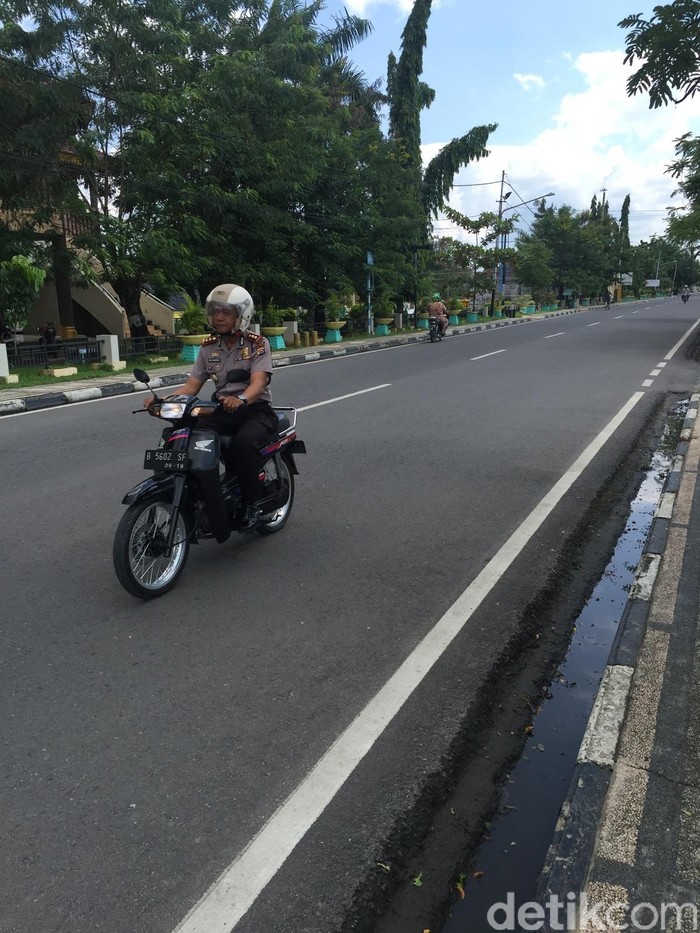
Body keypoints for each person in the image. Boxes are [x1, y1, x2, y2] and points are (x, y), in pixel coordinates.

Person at [148, 283, 278, 529]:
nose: (219, 317)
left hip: (254, 410)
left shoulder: (258, 344)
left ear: (241, 315)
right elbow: (191, 387)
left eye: (226, 312)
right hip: (221, 410)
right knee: (183, 434)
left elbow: (258, 383)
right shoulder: (208, 348)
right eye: (215, 312)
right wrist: (162, 400)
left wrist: (240, 399)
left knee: (244, 443)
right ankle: (199, 491)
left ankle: (252, 502)